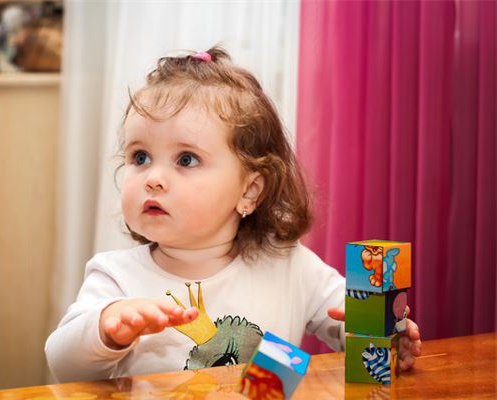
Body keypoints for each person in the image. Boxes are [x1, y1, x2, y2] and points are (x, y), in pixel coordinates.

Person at [45, 47, 422, 382]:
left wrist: (386, 335)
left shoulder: (291, 266)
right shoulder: (116, 277)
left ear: (249, 191)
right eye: (140, 157)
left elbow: (353, 330)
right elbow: (63, 365)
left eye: (186, 159)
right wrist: (107, 328)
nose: (153, 178)